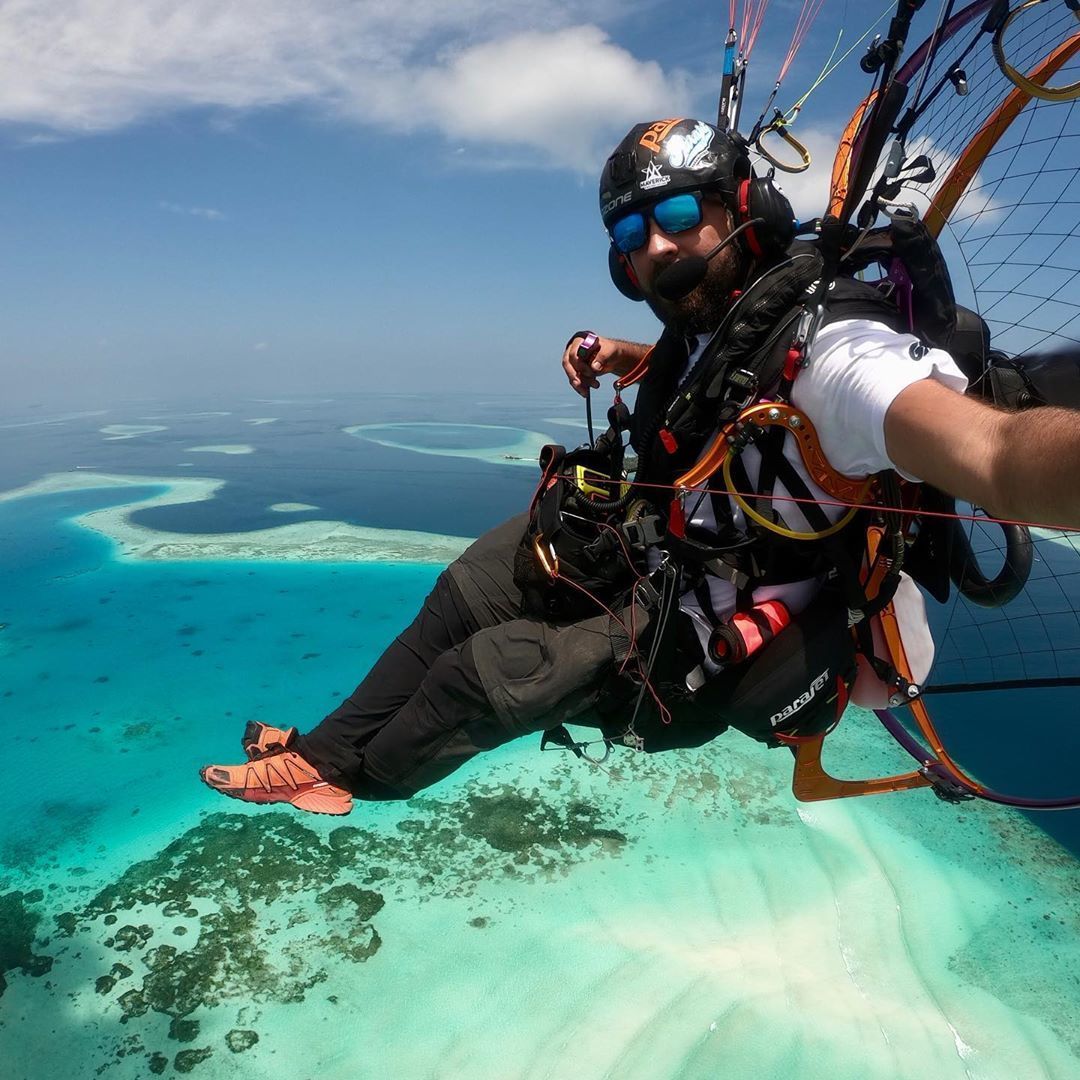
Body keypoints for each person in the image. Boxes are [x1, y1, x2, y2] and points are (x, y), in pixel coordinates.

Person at [201, 117, 1080, 816]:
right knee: (472, 585)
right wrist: (625, 354)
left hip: (705, 632)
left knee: (484, 671)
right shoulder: (715, 322)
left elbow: (996, 455)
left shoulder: (840, 359)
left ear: (741, 209)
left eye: (677, 217)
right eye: (632, 230)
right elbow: (714, 377)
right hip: (656, 553)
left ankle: (349, 781)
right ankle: (318, 750)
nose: (655, 245)